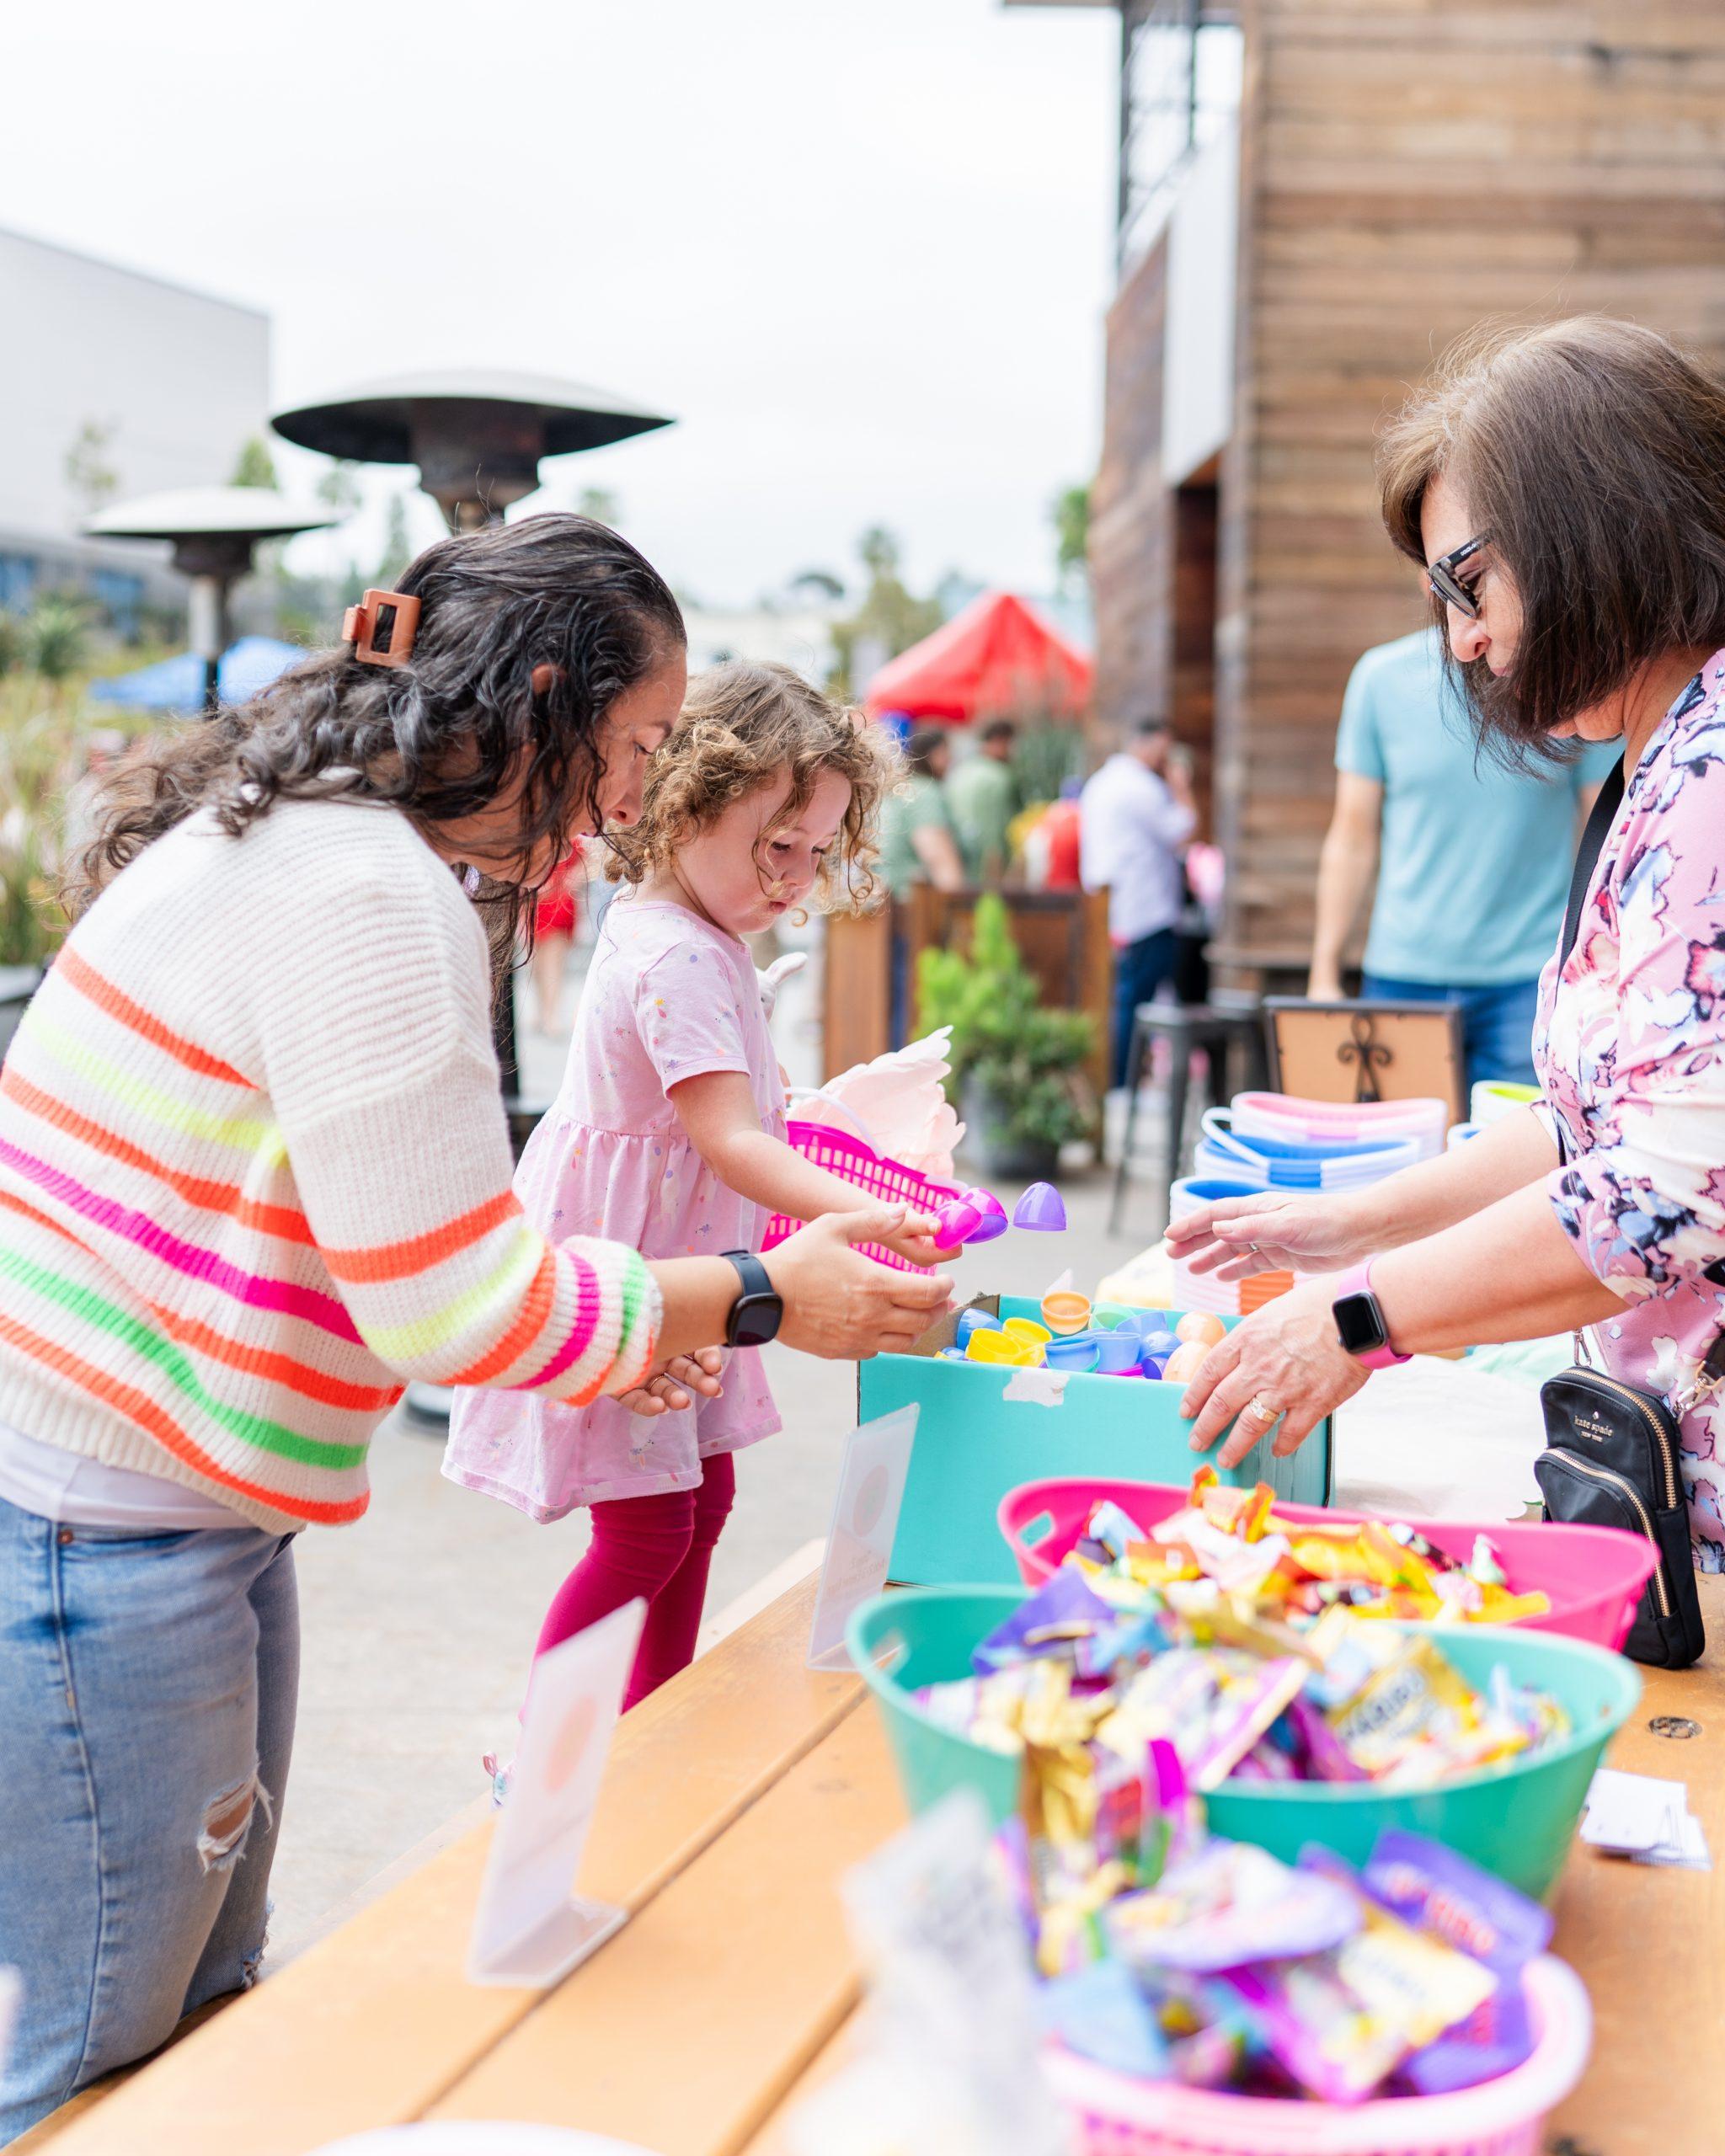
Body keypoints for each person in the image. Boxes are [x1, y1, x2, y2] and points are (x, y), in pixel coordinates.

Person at [0, 516, 953, 2142]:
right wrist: (766, 1296)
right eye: (637, 747)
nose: (633, 797)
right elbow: (451, 1300)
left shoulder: (314, 843)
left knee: (195, 2025)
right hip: (116, 1540)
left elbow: (429, 1246)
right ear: (538, 702)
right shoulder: (369, 894)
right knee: (104, 2056)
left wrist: (651, 1314)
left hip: (158, 1519)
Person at [1167, 316, 1725, 1569]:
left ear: (1594, 523)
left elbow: (1665, 1192)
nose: (1465, 640)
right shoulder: (1662, 757)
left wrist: (1356, 1319)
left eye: (1468, 584)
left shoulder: (1709, 773)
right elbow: (1599, 1122)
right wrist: (1355, 1226)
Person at [446, 664, 934, 1710]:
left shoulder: (693, 936)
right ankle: (545, 1758)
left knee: (696, 1502)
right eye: (776, 846)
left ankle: (647, 1721)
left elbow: (736, 1113)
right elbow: (729, 1142)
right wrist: (863, 1218)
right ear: (686, 806)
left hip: (668, 1254)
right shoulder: (676, 956)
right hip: (639, 1264)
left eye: (814, 852)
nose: (795, 878)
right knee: (649, 1526)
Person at [1309, 626, 1615, 1090]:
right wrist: (1324, 972)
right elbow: (1352, 838)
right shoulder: (1380, 678)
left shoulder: (1567, 679)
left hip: (1530, 980)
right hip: (1403, 977)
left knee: (1521, 1156)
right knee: (1407, 1149)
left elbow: (1609, 832)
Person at [1079, 716, 1199, 1090]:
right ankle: (1124, 1078)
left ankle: (1120, 1077)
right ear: (1152, 743)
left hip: (1114, 904)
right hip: (1145, 909)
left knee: (1123, 996)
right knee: (1135, 1002)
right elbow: (1181, 828)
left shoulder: (1101, 783)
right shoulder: (1142, 787)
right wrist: (1182, 787)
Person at [879, 725, 964, 1046]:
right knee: (911, 1011)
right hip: (912, 917)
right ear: (936, 755)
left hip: (882, 915)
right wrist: (959, 916)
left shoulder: (895, 793)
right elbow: (940, 862)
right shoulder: (924, 793)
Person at [945, 716, 1019, 883]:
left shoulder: (959, 772)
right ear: (1000, 741)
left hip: (961, 869)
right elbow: (996, 835)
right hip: (987, 875)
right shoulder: (999, 777)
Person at [529, 841, 584, 1034]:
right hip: (535, 899)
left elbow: (583, 861)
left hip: (559, 900)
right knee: (537, 961)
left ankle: (550, 1014)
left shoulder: (571, 831)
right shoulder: (535, 829)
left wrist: (569, 880)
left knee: (553, 960)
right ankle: (543, 1010)